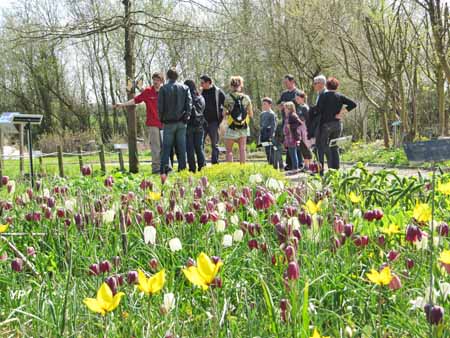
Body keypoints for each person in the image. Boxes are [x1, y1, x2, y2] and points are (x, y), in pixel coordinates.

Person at [114, 72, 164, 174]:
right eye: (154, 79)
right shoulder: (148, 91)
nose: (155, 82)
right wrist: (123, 104)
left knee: (166, 147)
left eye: (158, 80)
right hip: (153, 123)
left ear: (161, 81)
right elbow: (135, 100)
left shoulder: (165, 91)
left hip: (165, 124)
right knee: (156, 147)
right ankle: (156, 168)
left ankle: (166, 167)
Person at [316, 77, 357, 175]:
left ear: (326, 85)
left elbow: (318, 111)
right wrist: (341, 113)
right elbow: (353, 104)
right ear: (337, 86)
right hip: (337, 124)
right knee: (334, 147)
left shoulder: (323, 96)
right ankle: (336, 170)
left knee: (323, 147)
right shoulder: (340, 96)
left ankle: (325, 170)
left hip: (326, 125)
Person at [158, 68, 192, 176]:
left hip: (168, 122)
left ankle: (164, 169)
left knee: (166, 147)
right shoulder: (185, 88)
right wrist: (186, 117)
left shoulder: (163, 89)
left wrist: (162, 119)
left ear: (167, 76)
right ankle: (182, 168)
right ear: (177, 76)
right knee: (182, 146)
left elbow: (160, 106)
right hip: (181, 122)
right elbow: (189, 105)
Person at [223, 76, 253, 164]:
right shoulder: (246, 98)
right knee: (242, 149)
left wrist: (229, 112)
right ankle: (242, 170)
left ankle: (230, 171)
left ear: (231, 86)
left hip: (232, 126)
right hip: (243, 126)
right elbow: (251, 114)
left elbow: (224, 113)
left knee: (229, 150)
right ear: (241, 85)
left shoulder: (227, 97)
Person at [277, 74, 303, 170]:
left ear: (292, 82)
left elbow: (302, 104)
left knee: (296, 143)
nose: (285, 84)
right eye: (284, 82)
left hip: (295, 122)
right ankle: (290, 164)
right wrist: (281, 106)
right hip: (286, 121)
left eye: (286, 82)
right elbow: (278, 106)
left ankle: (299, 164)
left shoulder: (298, 93)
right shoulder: (284, 94)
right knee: (288, 143)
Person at [200, 75, 226, 165]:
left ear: (208, 82)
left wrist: (222, 116)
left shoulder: (218, 92)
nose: (201, 84)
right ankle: (202, 162)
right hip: (202, 122)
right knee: (200, 143)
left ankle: (215, 162)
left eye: (203, 83)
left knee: (214, 144)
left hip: (214, 122)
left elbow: (226, 103)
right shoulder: (201, 92)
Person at [184, 80, 206, 173]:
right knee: (199, 147)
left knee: (190, 148)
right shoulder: (201, 97)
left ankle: (192, 168)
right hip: (200, 124)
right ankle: (202, 166)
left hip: (189, 125)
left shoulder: (187, 97)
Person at [283, 102, 312, 172]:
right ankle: (296, 167)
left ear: (289, 108)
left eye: (285, 108)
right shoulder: (288, 115)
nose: (284, 110)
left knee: (293, 152)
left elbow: (300, 123)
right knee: (292, 152)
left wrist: (291, 126)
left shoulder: (293, 115)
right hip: (289, 136)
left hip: (293, 136)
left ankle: (295, 168)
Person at [259, 97, 277, 165]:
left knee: (271, 150)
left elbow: (273, 126)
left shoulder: (272, 114)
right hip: (263, 134)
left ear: (270, 105)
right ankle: (269, 164)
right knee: (267, 150)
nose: (263, 106)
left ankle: (273, 164)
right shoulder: (262, 114)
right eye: (263, 104)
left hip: (269, 134)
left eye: (265, 104)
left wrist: (271, 135)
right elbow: (261, 124)